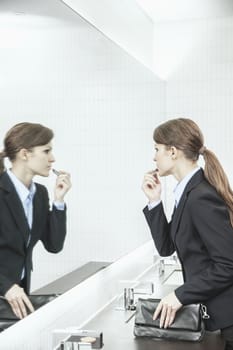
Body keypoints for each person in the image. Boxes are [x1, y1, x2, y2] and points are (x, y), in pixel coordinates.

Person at [142, 118, 233, 350]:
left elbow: (228, 264)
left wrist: (180, 295)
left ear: (173, 152)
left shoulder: (200, 196)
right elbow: (166, 247)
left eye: (156, 149)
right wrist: (154, 202)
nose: (154, 157)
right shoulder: (187, 192)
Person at [0, 122, 71, 320]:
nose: (52, 159)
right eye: (46, 151)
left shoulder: (40, 194)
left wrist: (59, 201)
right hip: (6, 292)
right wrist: (5, 286)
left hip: (18, 297)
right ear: (25, 154)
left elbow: (54, 245)